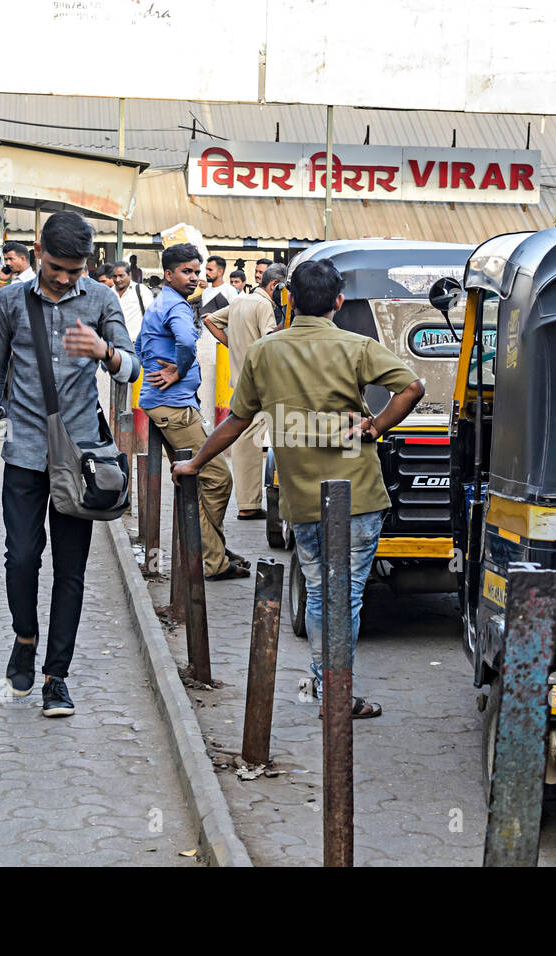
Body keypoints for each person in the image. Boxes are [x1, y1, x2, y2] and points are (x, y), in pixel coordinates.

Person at [174, 259, 425, 718]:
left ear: (287, 299)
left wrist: (195, 461)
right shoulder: (357, 346)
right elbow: (412, 387)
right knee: (346, 594)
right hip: (359, 492)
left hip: (303, 495)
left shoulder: (265, 353)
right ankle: (336, 693)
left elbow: (237, 419)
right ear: (338, 301)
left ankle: (325, 685)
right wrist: (375, 427)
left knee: (316, 588)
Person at [0, 212, 141, 718]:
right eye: (58, 267)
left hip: (81, 460)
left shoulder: (103, 300)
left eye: (76, 269)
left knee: (72, 570)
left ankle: (55, 677)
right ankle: (25, 636)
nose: (66, 278)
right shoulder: (8, 301)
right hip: (23, 452)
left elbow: (131, 369)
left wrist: (103, 351)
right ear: (39, 250)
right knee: (21, 557)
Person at [136, 243, 243, 581]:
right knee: (216, 478)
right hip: (175, 407)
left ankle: (213, 552)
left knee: (196, 479)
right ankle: (211, 558)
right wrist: (177, 371)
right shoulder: (178, 307)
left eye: (197, 272)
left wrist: (159, 367)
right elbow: (185, 342)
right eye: (187, 271)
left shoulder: (161, 303)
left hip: (168, 405)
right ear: (168, 274)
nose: (194, 278)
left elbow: (140, 345)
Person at [203, 262, 286, 520]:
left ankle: (247, 504)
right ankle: (281, 502)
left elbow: (209, 320)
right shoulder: (263, 306)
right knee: (285, 440)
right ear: (274, 286)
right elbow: (272, 340)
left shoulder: (241, 301)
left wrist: (233, 345)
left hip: (240, 381)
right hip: (263, 384)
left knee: (245, 444)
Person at [111, 260, 152, 341]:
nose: (117, 279)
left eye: (121, 276)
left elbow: (152, 317)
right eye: (114, 276)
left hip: (136, 346)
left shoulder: (141, 290)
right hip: (114, 346)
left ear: (129, 275)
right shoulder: (109, 293)